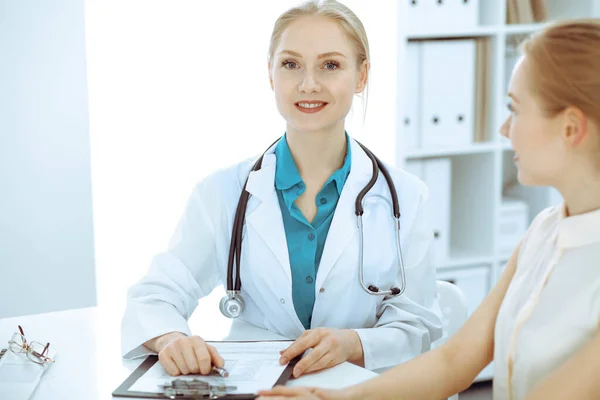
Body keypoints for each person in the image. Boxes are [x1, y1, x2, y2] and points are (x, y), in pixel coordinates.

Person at [257, 19, 600, 400]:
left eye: (515, 110)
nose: (504, 128)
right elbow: (452, 363)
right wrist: (333, 399)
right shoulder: (543, 233)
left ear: (570, 128)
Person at [120, 0, 443, 379]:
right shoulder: (223, 193)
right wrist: (172, 339)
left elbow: (418, 324)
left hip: (358, 386)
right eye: (291, 64)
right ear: (271, 75)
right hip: (255, 385)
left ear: (361, 76)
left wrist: (353, 343)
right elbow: (156, 294)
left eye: (331, 65)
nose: (308, 84)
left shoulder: (405, 196)